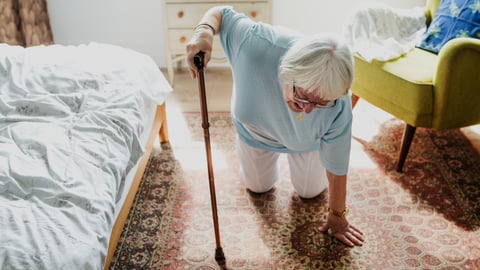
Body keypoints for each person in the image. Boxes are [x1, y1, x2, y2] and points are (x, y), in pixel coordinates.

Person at [185, 6, 364, 247]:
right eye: (303, 97)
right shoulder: (253, 44)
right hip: (255, 133)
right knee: (258, 187)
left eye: (321, 103)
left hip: (306, 142)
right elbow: (222, 13)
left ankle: (300, 155)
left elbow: (337, 166)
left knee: (310, 193)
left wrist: (338, 216)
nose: (309, 109)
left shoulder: (337, 101)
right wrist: (204, 31)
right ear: (287, 73)